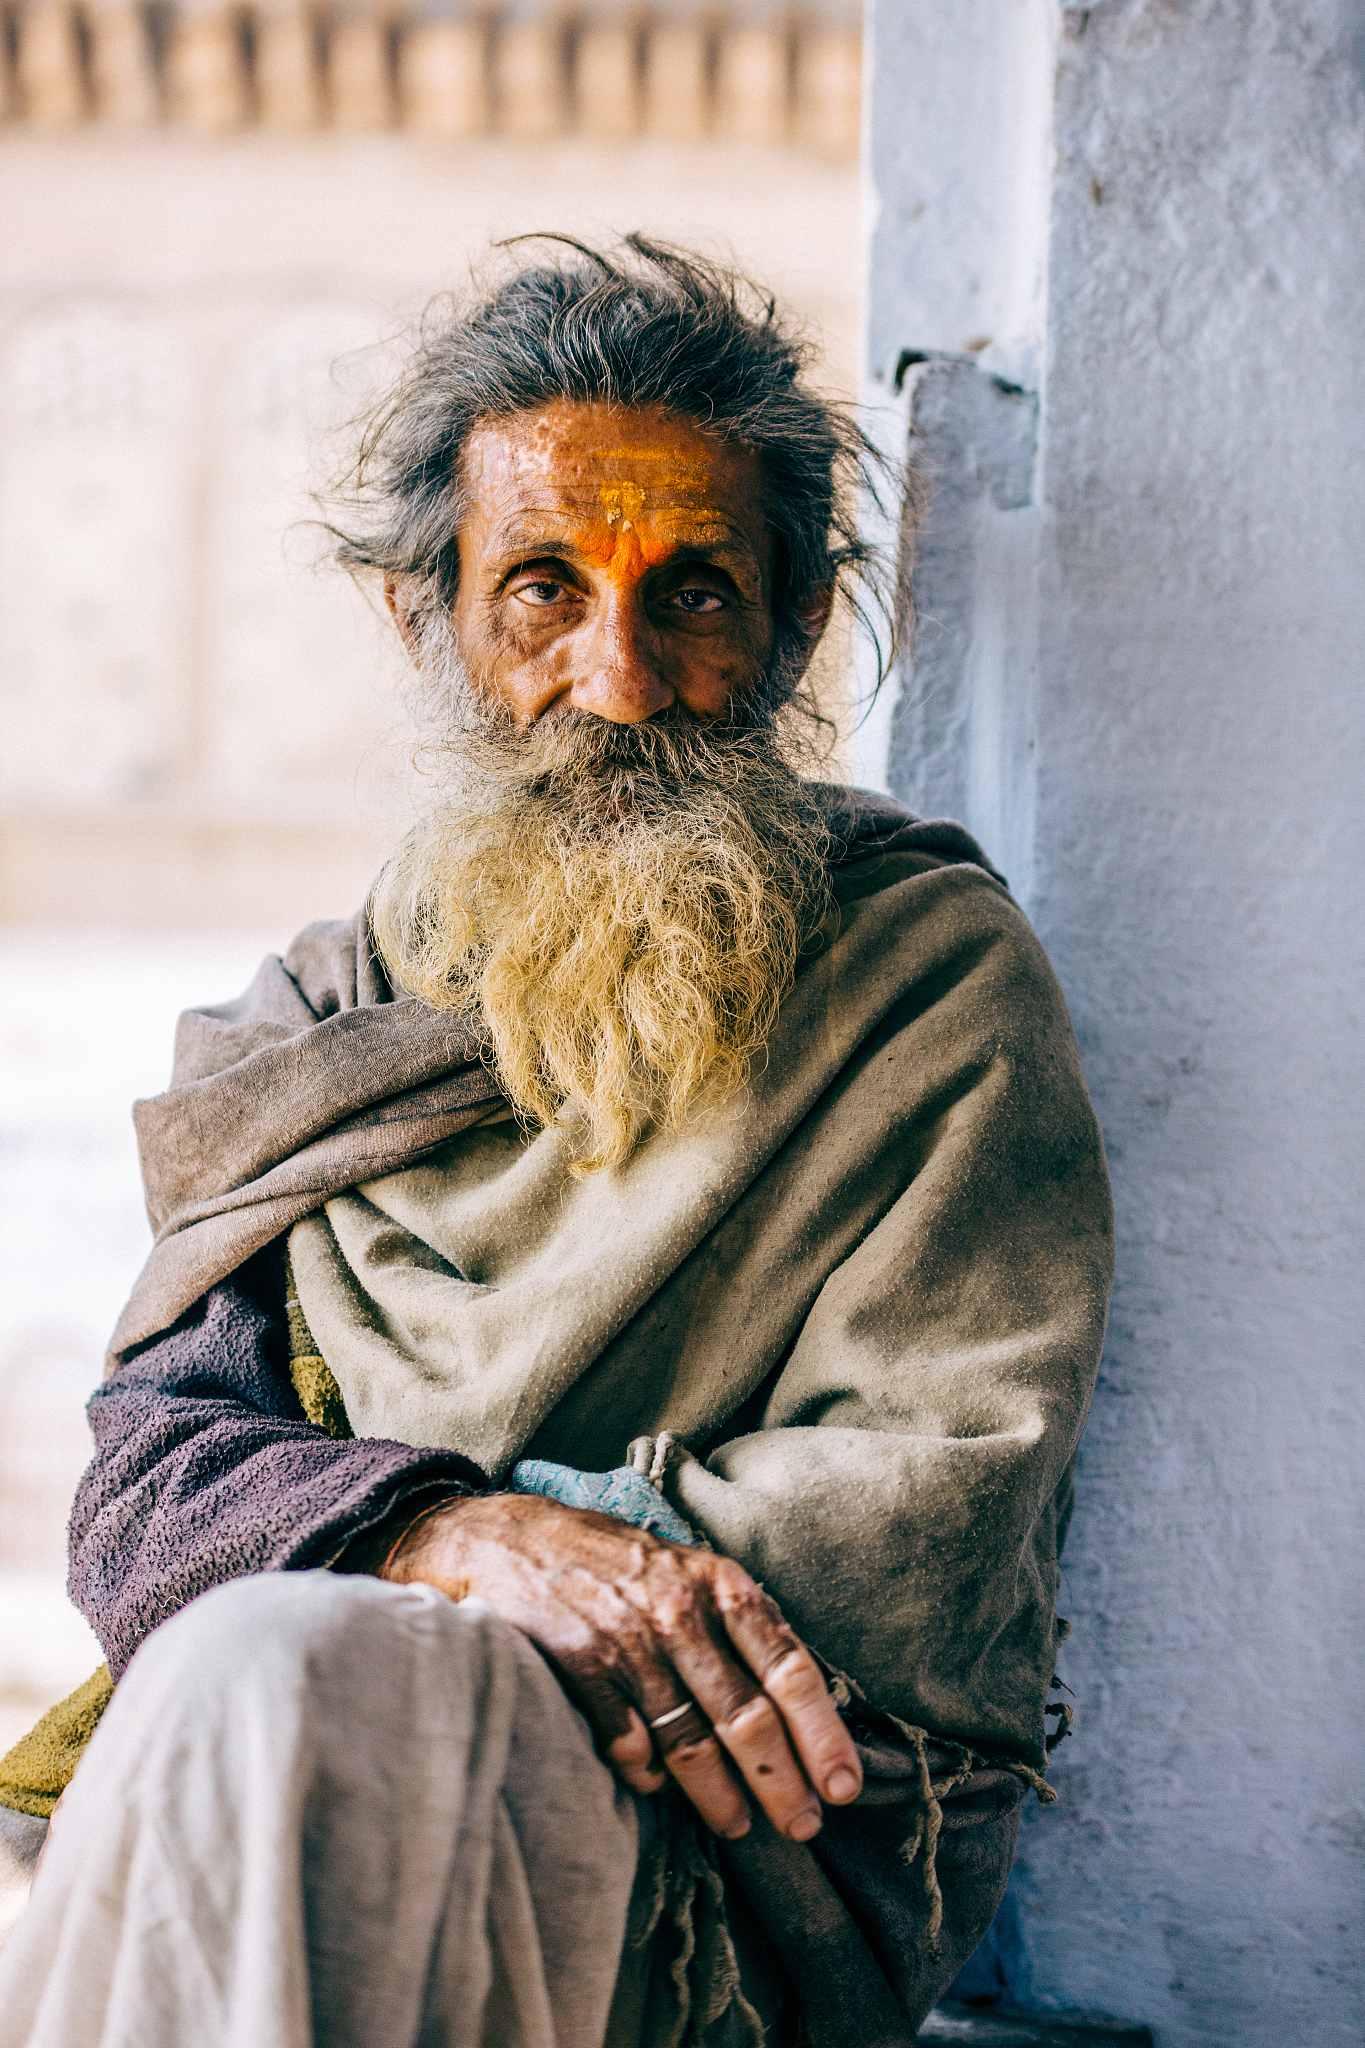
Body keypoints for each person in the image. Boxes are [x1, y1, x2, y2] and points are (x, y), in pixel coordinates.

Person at [0, 236, 1113, 2048]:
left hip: (722, 1853)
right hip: (305, 1756)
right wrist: (461, 1537)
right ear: (425, 615)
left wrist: (490, 1558)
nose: (617, 679)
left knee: (281, 1680)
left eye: (691, 593)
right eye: (541, 590)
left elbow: (923, 1506)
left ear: (791, 629)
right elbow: (146, 1493)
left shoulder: (922, 986)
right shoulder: (321, 1024)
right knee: (264, 1685)